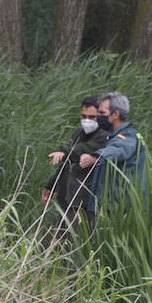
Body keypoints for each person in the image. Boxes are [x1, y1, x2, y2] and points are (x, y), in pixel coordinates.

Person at [40, 96, 108, 236]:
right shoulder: (78, 133)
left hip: (85, 204)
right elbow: (67, 163)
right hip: (67, 198)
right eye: (84, 116)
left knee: (78, 242)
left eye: (92, 117)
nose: (87, 120)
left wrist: (64, 152)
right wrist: (52, 185)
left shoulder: (104, 136)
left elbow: (80, 151)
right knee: (60, 240)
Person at [80, 91, 146, 220]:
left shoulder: (127, 136)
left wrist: (94, 157)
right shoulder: (113, 136)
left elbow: (117, 149)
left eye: (102, 113)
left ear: (115, 114)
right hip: (112, 206)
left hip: (120, 209)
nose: (98, 116)